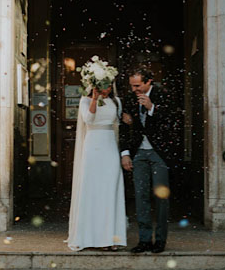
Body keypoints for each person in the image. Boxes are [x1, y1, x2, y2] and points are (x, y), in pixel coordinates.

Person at [121, 67, 176, 254]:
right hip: (138, 154)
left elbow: (172, 122)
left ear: (149, 82)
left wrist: (152, 108)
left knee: (161, 197)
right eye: (132, 85)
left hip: (159, 153)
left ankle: (160, 240)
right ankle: (144, 240)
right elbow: (124, 128)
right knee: (140, 196)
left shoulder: (164, 95)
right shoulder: (129, 99)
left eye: (137, 85)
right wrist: (125, 153)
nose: (134, 89)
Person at [66, 84, 126, 251]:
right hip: (93, 145)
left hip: (110, 145)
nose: (104, 89)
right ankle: (90, 237)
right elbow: (88, 119)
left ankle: (111, 237)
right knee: (92, 191)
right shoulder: (85, 101)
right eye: (101, 86)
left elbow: (121, 124)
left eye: (107, 86)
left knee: (110, 190)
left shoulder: (117, 102)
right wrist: (94, 99)